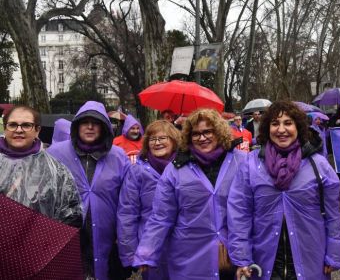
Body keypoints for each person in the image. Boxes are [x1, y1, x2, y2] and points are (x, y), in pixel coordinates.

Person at [228, 101, 340, 279]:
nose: (281, 130)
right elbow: (240, 212)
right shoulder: (250, 164)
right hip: (264, 261)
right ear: (267, 128)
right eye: (275, 124)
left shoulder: (318, 164)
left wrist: (334, 252)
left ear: (298, 127)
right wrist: (241, 257)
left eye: (288, 123)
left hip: (311, 258)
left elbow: (333, 213)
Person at [133, 108, 247, 279]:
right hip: (189, 255)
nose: (202, 138)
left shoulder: (242, 161)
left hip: (233, 255)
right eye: (196, 134)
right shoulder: (175, 169)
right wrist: (146, 252)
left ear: (219, 131)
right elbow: (161, 216)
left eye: (208, 132)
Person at [48, 101, 131, 280]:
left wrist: (124, 237)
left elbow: (128, 200)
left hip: (108, 237)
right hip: (66, 237)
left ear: (104, 128)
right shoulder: (55, 153)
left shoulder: (118, 156)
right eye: (85, 122)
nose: (90, 127)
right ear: (77, 126)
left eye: (96, 123)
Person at [117, 120, 181, 280]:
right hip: (150, 248)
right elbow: (127, 213)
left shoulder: (185, 168)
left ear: (174, 140)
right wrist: (131, 254)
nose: (157, 143)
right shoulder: (137, 172)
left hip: (183, 246)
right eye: (152, 139)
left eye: (162, 138)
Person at [0, 105, 82, 226]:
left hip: (37, 242)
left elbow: (71, 213)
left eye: (26, 125)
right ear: (5, 128)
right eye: (12, 125)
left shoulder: (56, 170)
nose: (18, 130)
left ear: (37, 130)